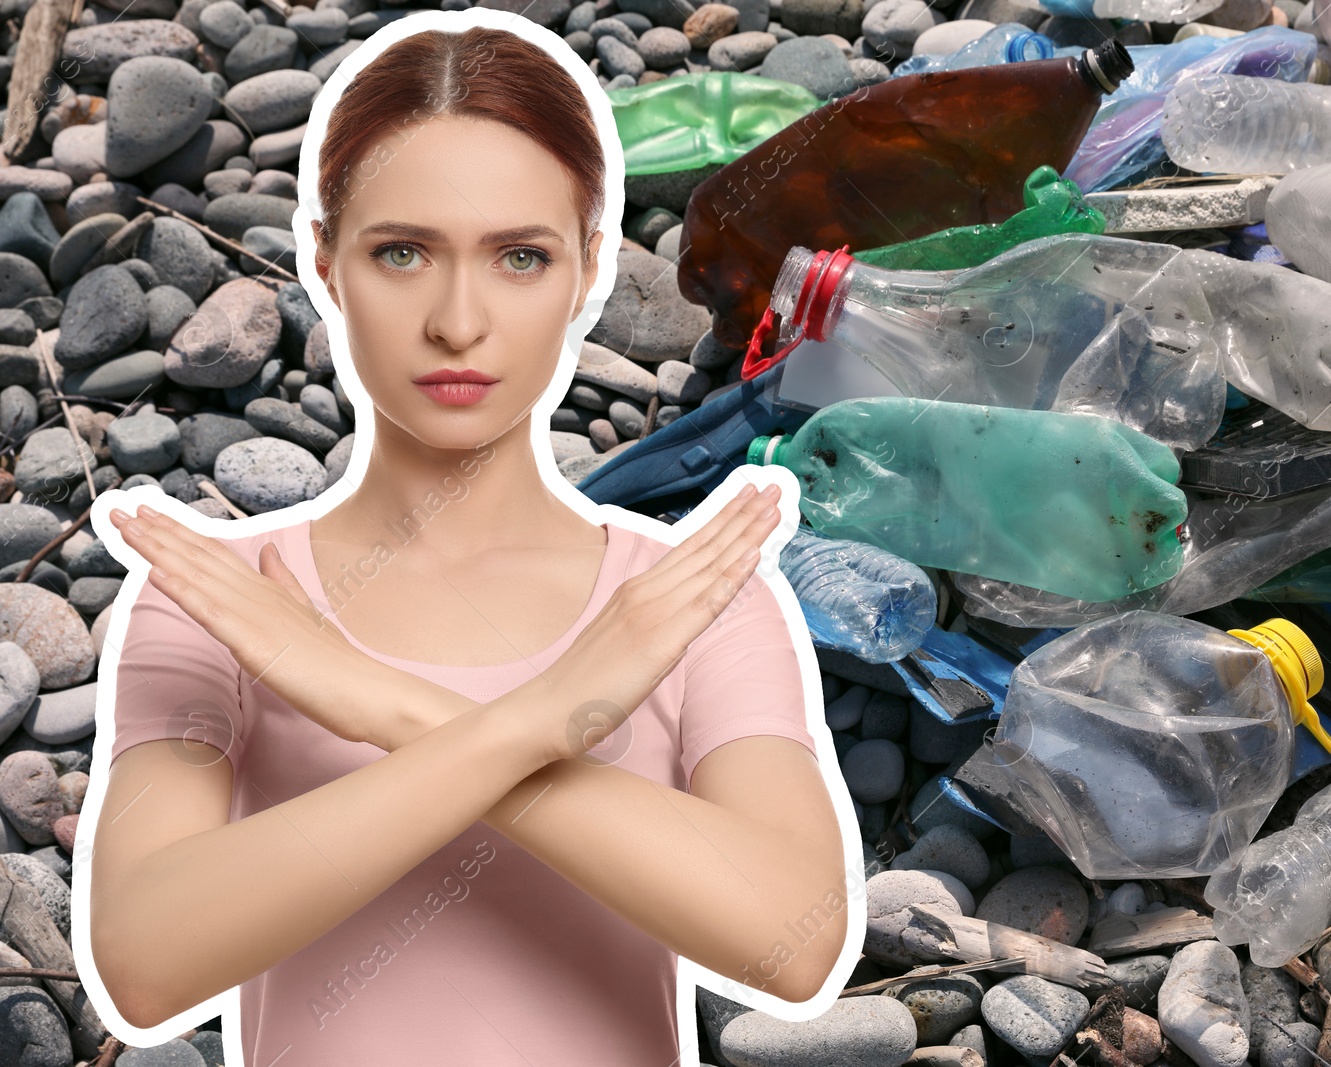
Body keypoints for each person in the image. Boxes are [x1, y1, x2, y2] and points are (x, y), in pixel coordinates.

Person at [79, 13, 851, 1066]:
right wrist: (539, 715)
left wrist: (372, 698)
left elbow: (792, 942)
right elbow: (143, 959)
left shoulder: (684, 600)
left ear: (586, 269)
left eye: (518, 257)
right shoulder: (219, 596)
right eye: (402, 252)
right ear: (327, 263)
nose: (456, 319)